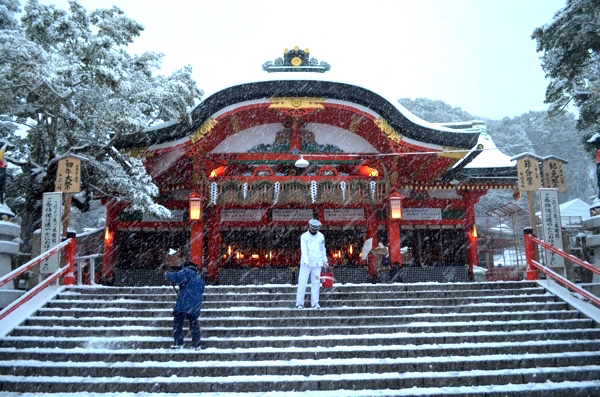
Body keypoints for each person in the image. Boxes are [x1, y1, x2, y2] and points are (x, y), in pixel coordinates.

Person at [165, 248, 205, 349]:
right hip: (194, 305)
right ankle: (197, 344)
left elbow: (177, 277)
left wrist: (167, 274)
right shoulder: (199, 279)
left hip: (184, 303)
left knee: (177, 323)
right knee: (194, 324)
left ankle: (179, 343)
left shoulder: (186, 272)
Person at [296, 219, 328, 309]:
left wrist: (325, 260)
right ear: (309, 227)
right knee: (302, 283)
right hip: (306, 264)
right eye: (313, 229)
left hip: (317, 263)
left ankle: (315, 303)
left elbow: (322, 249)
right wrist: (306, 260)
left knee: (316, 283)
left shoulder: (321, 236)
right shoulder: (304, 237)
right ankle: (299, 303)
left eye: (316, 229)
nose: (314, 231)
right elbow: (304, 250)